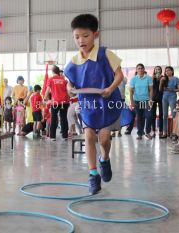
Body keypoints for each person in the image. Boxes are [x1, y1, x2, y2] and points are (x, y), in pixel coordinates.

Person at [65, 14, 128, 194]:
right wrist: (70, 88)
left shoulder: (105, 54)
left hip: (108, 103)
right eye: (77, 37)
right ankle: (93, 175)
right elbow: (69, 81)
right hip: (88, 105)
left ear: (96, 34)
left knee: (104, 139)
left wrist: (110, 88)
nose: (81, 40)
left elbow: (119, 75)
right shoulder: (74, 60)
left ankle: (105, 159)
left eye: (85, 36)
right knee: (89, 137)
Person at [44, 65, 70, 141]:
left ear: (52, 71)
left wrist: (45, 99)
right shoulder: (64, 80)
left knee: (53, 118)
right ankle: (65, 136)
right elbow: (68, 91)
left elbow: (47, 90)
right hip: (64, 101)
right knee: (64, 118)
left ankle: (53, 137)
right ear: (58, 72)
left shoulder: (51, 79)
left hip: (55, 102)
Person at [130, 63, 153, 140]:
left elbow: (151, 90)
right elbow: (131, 91)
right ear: (136, 70)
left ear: (144, 69)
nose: (140, 69)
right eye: (138, 68)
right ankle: (140, 133)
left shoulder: (148, 78)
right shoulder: (133, 79)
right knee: (139, 117)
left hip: (146, 101)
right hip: (137, 101)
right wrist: (132, 102)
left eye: (141, 68)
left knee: (149, 116)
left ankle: (147, 132)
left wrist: (150, 99)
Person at [159, 66, 179, 139]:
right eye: (166, 71)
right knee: (164, 115)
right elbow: (160, 89)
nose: (167, 72)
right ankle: (165, 132)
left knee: (174, 114)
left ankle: (174, 133)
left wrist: (172, 89)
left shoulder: (176, 79)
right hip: (164, 98)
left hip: (172, 97)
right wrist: (161, 81)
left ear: (172, 71)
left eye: (168, 70)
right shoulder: (164, 78)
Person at [151, 66, 163, 137]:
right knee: (153, 115)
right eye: (156, 69)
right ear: (154, 71)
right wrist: (153, 78)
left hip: (162, 97)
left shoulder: (163, 77)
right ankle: (153, 130)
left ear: (161, 70)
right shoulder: (152, 78)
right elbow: (150, 87)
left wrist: (161, 79)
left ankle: (161, 130)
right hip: (153, 97)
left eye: (159, 69)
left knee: (161, 114)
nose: (157, 70)